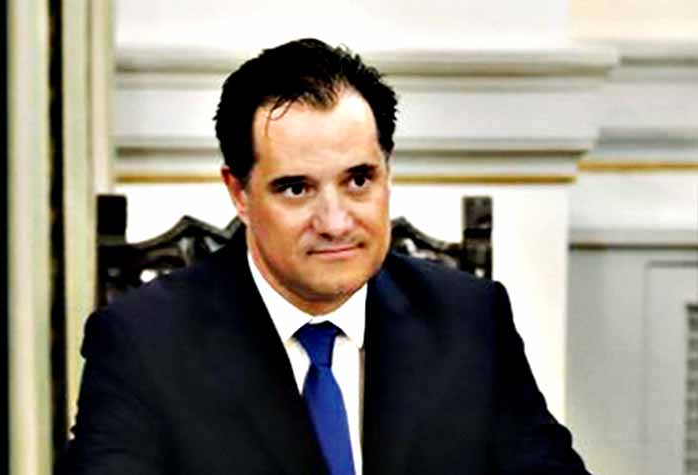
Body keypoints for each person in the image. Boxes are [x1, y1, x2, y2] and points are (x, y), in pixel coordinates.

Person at [64, 38, 592, 475]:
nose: (336, 222)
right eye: (297, 189)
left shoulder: (469, 319)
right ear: (239, 193)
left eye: (359, 180)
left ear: (387, 173)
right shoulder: (142, 344)